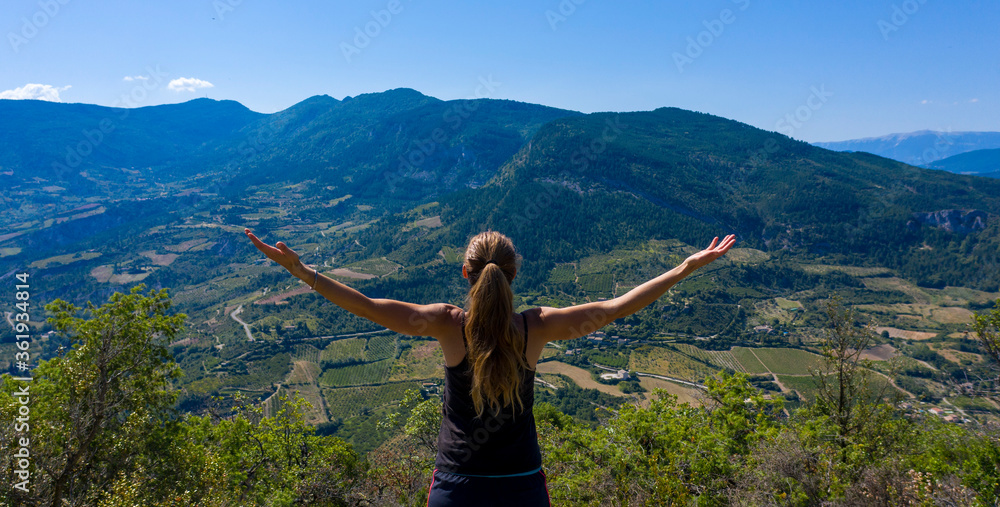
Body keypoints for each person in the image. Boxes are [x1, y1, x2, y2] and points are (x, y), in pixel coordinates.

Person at [244, 227, 736, 506]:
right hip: (521, 485)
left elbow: (368, 306)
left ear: (466, 273)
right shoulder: (535, 328)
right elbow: (614, 307)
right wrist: (684, 268)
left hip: (457, 487)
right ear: (515, 273)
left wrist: (301, 271)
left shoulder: (445, 324)